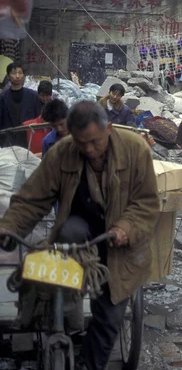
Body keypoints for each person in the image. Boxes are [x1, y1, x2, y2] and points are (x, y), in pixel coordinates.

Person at [0, 101, 160, 370]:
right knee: (57, 259)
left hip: (119, 244)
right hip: (77, 234)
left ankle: (89, 365)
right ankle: (64, 310)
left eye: (94, 142)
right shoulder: (63, 152)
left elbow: (147, 203)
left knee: (109, 318)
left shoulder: (135, 150)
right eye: (80, 142)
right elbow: (32, 199)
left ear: (108, 128)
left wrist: (126, 228)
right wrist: (10, 227)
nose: (87, 149)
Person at [0, 63, 41, 147]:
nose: (17, 76)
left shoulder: (33, 96)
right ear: (8, 76)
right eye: (14, 73)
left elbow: (38, 119)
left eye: (20, 73)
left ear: (24, 76)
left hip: (28, 140)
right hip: (8, 142)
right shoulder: (2, 97)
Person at [23, 81, 55, 156]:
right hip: (35, 132)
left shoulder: (54, 106)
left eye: (47, 96)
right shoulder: (33, 104)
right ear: (38, 94)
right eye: (42, 96)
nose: (45, 98)